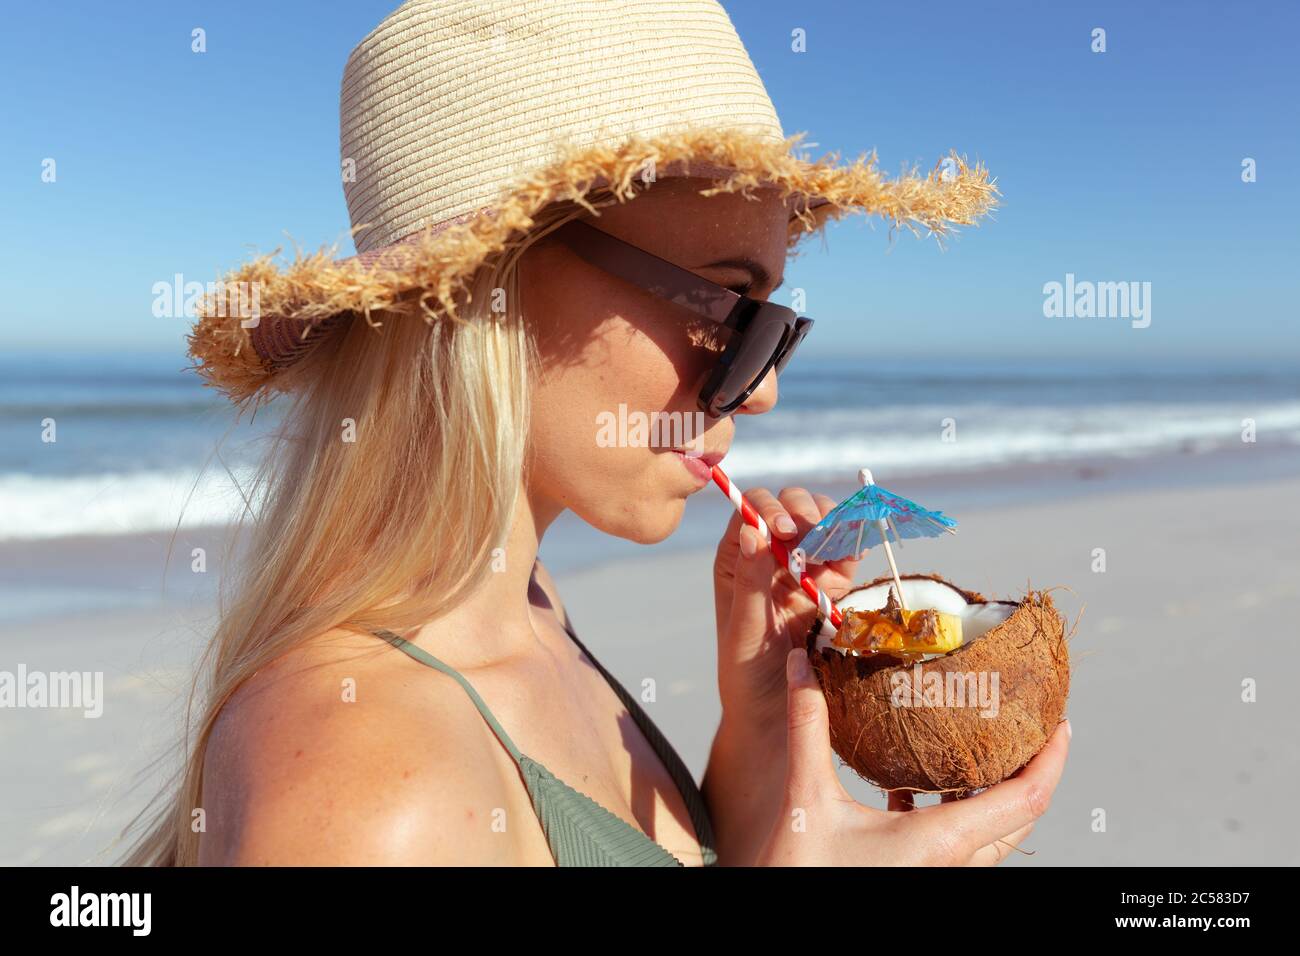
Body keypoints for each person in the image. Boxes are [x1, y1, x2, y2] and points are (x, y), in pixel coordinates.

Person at [121, 0, 1065, 867]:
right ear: (494, 288)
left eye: (776, 327)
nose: (762, 388)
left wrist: (761, 742)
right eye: (729, 307)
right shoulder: (368, 789)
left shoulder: (526, 612)